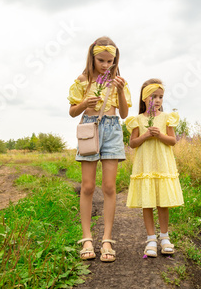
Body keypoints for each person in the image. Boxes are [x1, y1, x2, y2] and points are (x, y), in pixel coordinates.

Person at [68, 36, 131, 262]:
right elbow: (72, 111)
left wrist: (121, 91)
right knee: (87, 186)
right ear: (92, 57)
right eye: (101, 60)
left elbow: (123, 114)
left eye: (110, 61)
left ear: (115, 60)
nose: (106, 65)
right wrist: (85, 103)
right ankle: (86, 238)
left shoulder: (118, 81)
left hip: (113, 129)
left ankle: (106, 240)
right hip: (89, 128)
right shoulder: (83, 80)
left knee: (109, 187)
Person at [125, 78, 184, 257]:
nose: (157, 100)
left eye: (160, 97)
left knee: (162, 201)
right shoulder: (138, 120)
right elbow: (133, 143)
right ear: (144, 99)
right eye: (153, 97)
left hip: (162, 164)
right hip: (146, 165)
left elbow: (172, 141)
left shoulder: (167, 118)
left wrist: (159, 135)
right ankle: (151, 238)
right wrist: (145, 136)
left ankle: (165, 237)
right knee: (148, 202)